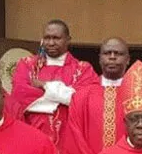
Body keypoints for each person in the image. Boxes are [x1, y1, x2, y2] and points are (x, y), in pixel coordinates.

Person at [11, 19, 99, 147]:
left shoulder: (83, 69)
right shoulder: (27, 64)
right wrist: (65, 97)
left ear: (68, 40)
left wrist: (44, 86)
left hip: (70, 141)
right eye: (47, 38)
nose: (51, 43)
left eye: (56, 38)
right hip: (33, 136)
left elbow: (85, 101)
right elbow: (20, 96)